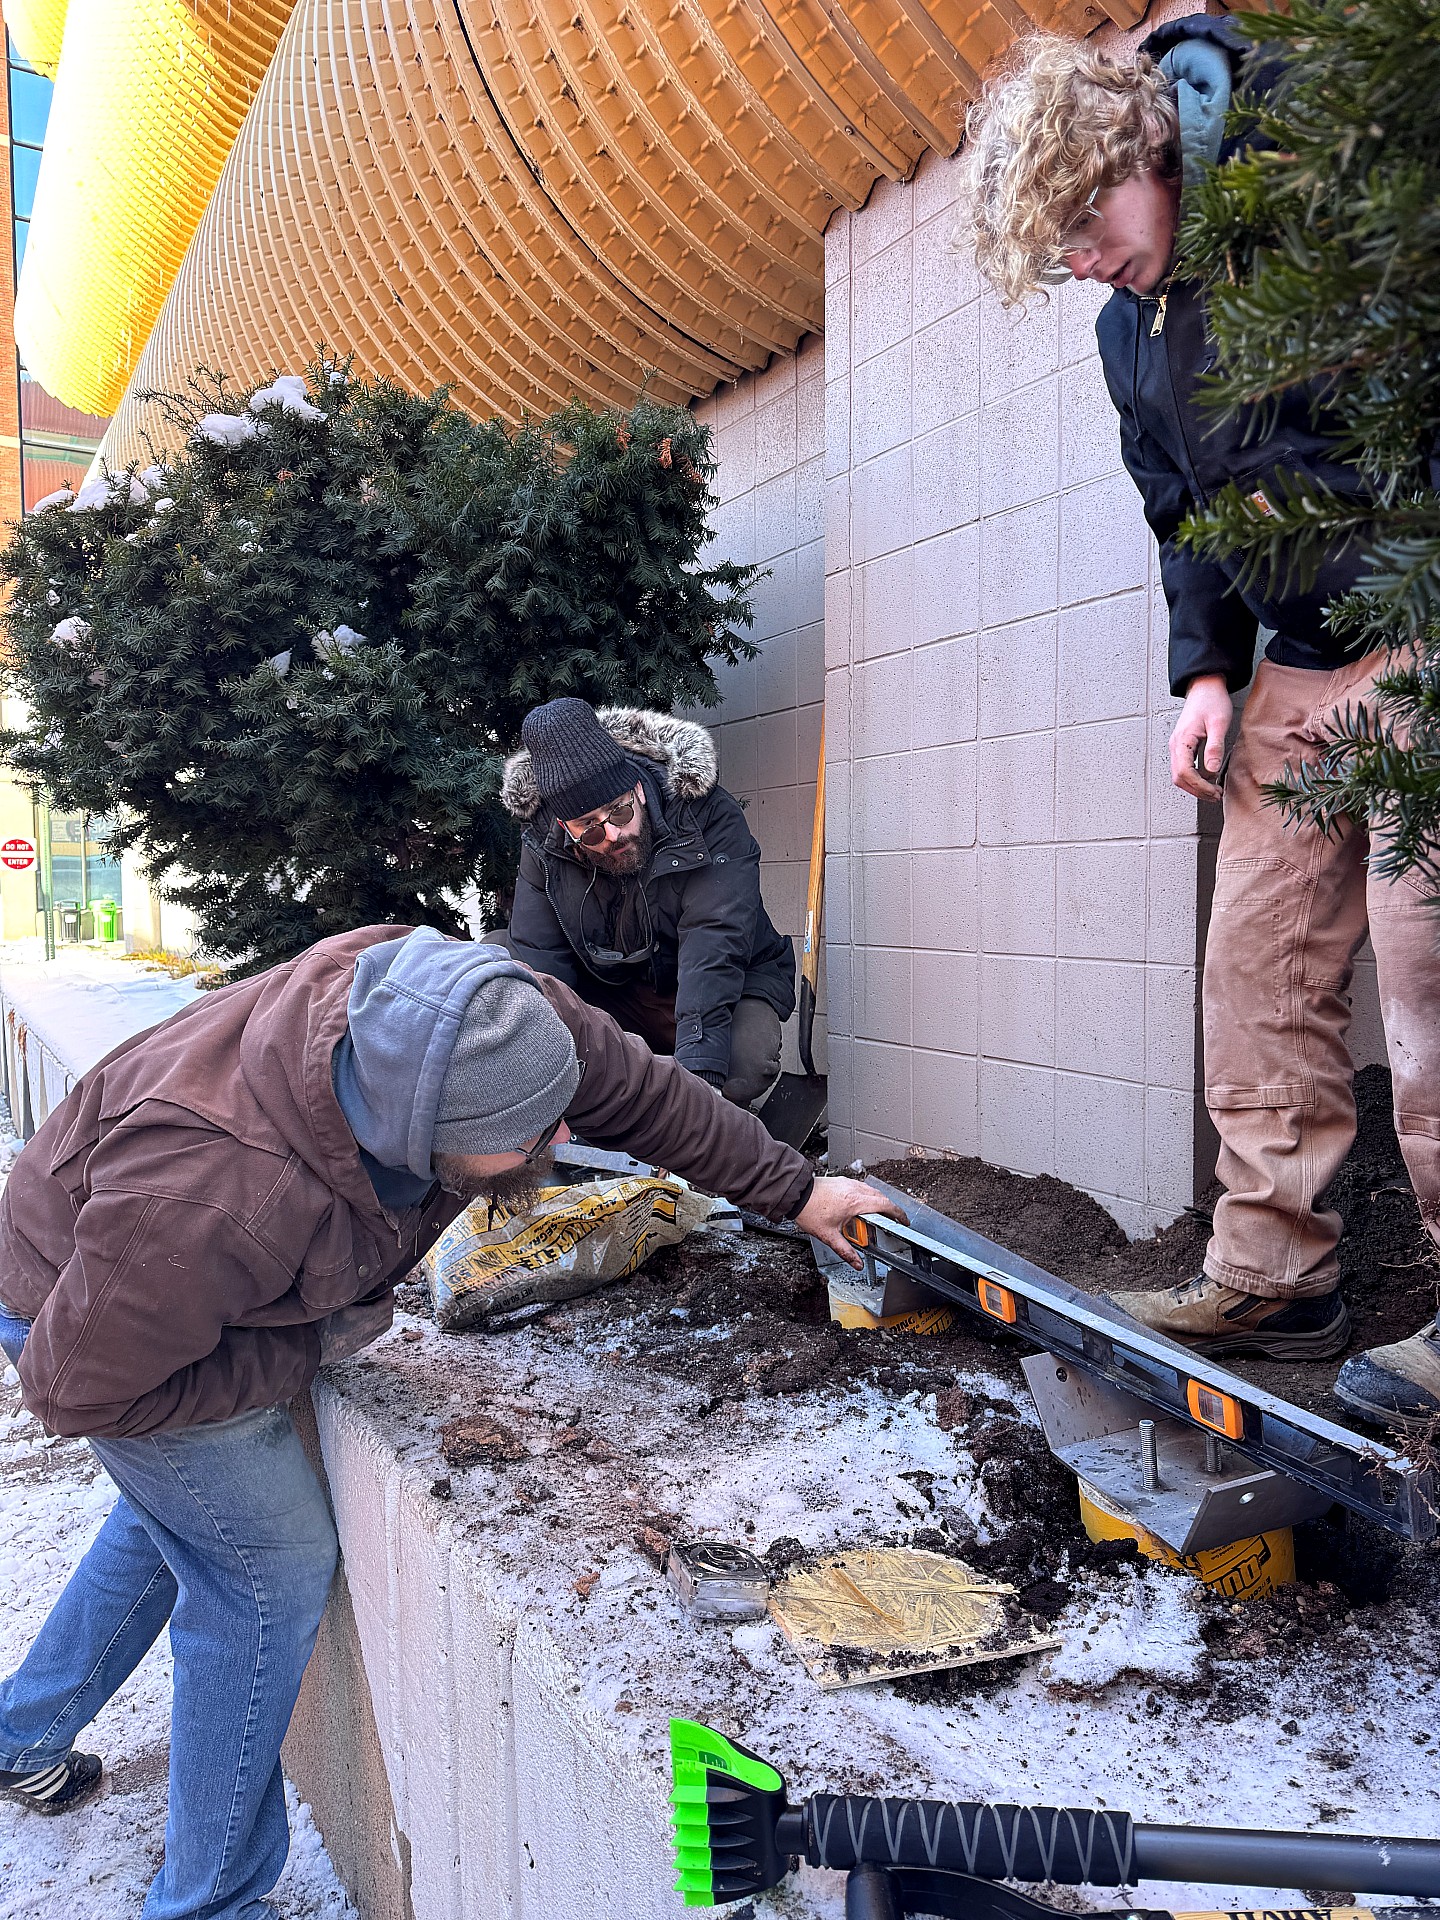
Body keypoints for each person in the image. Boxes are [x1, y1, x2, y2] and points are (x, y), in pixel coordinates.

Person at [0, 923, 896, 1914]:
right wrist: (308, 1342)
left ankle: (22, 1735)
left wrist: (798, 1189)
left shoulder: (484, 1024)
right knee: (265, 1572)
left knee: (191, 1518)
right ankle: (207, 1902)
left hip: (161, 1289)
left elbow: (636, 1091)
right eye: (529, 1136)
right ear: (419, 1129)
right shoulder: (214, 1193)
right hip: (87, 1314)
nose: (561, 1144)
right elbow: (76, 1389)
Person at [959, 16, 1440, 1429]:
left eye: (1086, 225)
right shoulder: (1132, 332)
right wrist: (1207, 676)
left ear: (1148, 152)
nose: (1085, 264)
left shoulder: (1303, 185)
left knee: (1426, 973)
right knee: (1256, 968)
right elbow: (1184, 518)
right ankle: (1276, 1272)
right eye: (1057, 255)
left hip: (1422, 615)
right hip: (1294, 655)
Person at [500, 697, 797, 1109]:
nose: (611, 836)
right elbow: (542, 956)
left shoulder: (705, 816)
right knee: (500, 959)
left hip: (719, 978)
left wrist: (700, 1087)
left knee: (743, 1060)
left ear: (637, 788)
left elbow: (714, 942)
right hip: (616, 988)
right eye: (588, 832)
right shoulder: (543, 842)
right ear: (563, 827)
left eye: (619, 814)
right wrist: (538, 1079)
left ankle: (712, 1123)